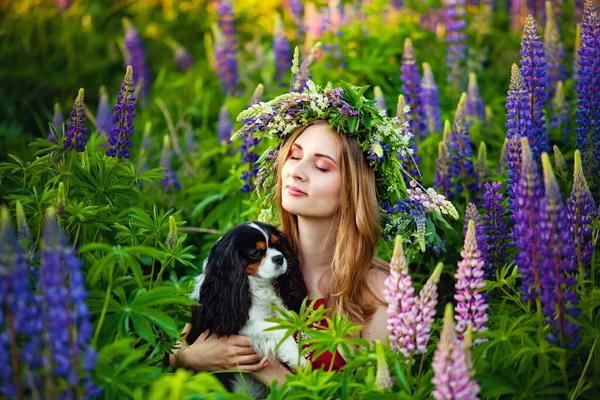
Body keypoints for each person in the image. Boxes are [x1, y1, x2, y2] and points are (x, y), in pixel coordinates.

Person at [169, 80, 439, 387]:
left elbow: (381, 393)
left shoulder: (383, 291)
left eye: (322, 166)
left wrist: (264, 365)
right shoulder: (251, 256)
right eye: (294, 155)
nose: (296, 171)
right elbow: (179, 339)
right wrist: (188, 358)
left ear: (354, 190)